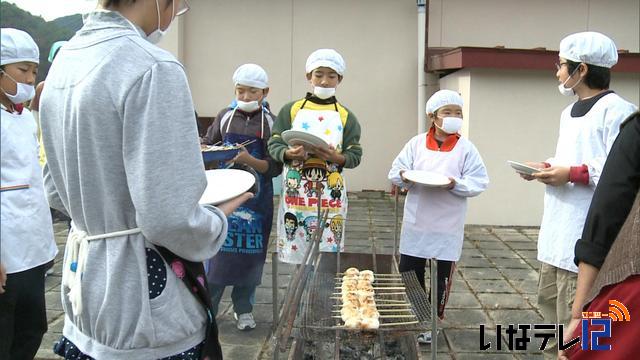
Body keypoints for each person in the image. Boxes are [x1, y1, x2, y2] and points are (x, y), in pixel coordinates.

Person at [39, 1, 251, 359]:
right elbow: (169, 219)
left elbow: (54, 190)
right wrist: (216, 219)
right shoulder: (153, 67)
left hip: (84, 288)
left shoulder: (66, 60)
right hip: (143, 304)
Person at [517, 31, 637, 359]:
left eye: (562, 65)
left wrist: (571, 173)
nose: (557, 71)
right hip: (556, 233)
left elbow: (620, 175)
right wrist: (546, 167)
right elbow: (570, 158)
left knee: (579, 329)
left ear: (581, 69)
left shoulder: (620, 112)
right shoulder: (567, 113)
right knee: (550, 319)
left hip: (585, 241)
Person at [388, 89, 489, 343]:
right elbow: (396, 170)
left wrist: (455, 184)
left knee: (441, 279)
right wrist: (404, 178)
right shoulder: (416, 143)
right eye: (448, 112)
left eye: (458, 112)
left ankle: (433, 322)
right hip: (417, 220)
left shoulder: (466, 148)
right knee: (410, 272)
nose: (454, 117)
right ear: (433, 117)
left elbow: (479, 181)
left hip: (448, 224)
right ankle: (419, 316)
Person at [203, 64, 281, 331]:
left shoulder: (272, 123)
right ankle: (208, 310)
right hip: (223, 198)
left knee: (250, 255)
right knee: (217, 255)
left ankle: (244, 309)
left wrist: (249, 159)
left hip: (256, 201)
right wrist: (209, 152)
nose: (246, 97)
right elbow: (209, 144)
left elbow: (274, 167)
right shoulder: (225, 116)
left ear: (264, 92)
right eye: (240, 91)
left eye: (252, 92)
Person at [557, 111, 640, 359]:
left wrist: (579, 314)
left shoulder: (629, 122)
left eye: (561, 68)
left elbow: (606, 210)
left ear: (581, 69)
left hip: (627, 274)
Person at [268, 48, 362, 264]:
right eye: (319, 75)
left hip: (331, 194)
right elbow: (274, 143)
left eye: (331, 76)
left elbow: (355, 154)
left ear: (340, 79)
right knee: (297, 258)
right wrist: (287, 153)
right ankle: (299, 296)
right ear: (308, 77)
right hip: (297, 196)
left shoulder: (346, 116)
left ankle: (322, 296)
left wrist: (336, 157)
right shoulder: (291, 110)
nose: (325, 81)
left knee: (326, 261)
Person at [0, 27, 58, 360]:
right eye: (23, 70)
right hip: (6, 251)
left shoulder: (21, 117)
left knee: (32, 327)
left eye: (34, 71)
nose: (30, 78)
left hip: (32, 248)